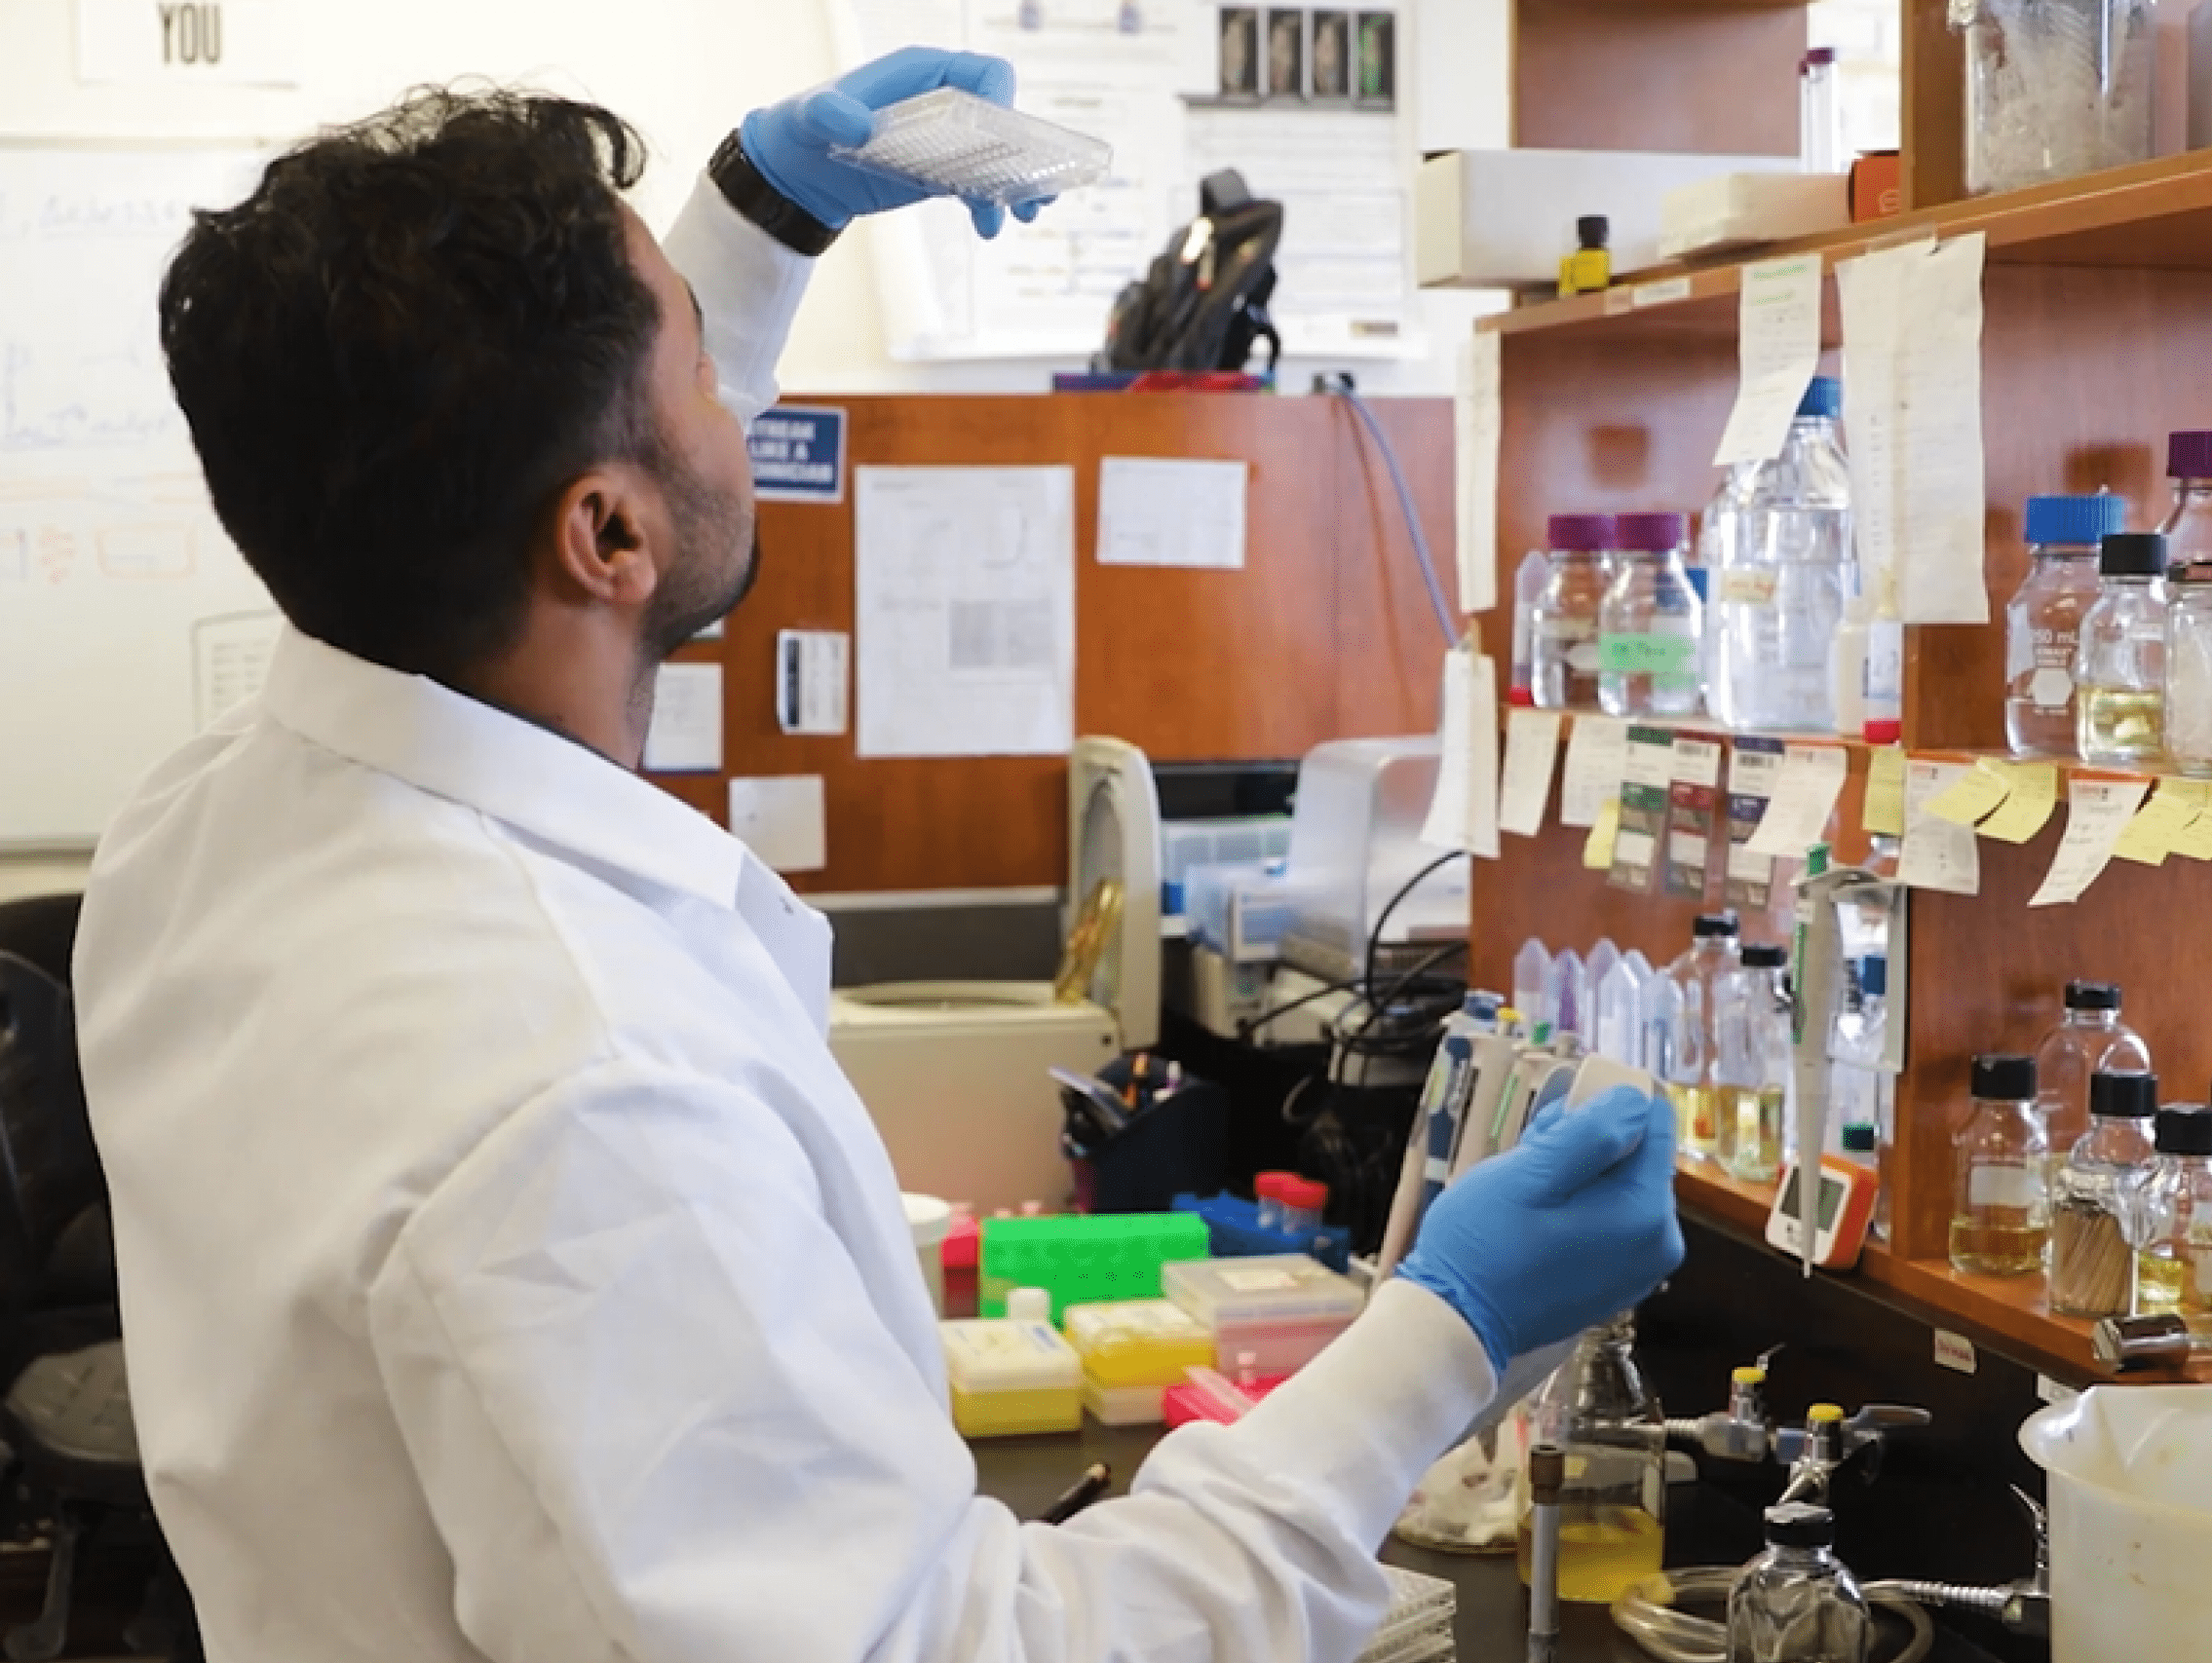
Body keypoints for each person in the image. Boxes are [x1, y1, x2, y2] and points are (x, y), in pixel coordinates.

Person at [73, 44, 1687, 1663]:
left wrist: (759, 226)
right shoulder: (592, 1096)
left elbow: (557, 459)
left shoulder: (204, 828)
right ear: (609, 534)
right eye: (706, 370)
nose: (740, 398)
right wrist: (1442, 1340)